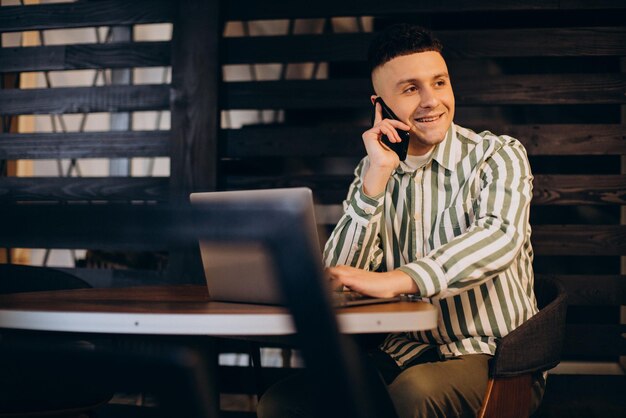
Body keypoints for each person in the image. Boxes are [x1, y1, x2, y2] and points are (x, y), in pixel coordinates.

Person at [258, 23, 542, 418]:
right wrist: (375, 179)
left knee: (413, 395)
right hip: (400, 353)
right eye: (410, 89)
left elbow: (498, 237)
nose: (431, 100)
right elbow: (339, 272)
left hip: (493, 359)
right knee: (283, 404)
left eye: (439, 83)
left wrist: (397, 280)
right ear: (381, 105)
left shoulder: (498, 155)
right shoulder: (374, 168)